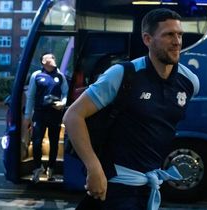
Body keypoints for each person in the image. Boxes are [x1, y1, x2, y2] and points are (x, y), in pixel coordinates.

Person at [63, 8, 199, 210]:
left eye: (179, 34)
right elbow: (73, 115)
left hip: (150, 185)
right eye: (169, 34)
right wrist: (94, 168)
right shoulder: (123, 74)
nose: (177, 41)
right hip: (117, 183)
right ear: (147, 39)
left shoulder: (190, 82)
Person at [24, 52, 68, 183]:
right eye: (50, 57)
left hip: (55, 114)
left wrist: (63, 103)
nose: (53, 58)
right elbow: (30, 96)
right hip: (39, 114)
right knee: (36, 142)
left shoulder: (60, 75)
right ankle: (37, 167)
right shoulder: (36, 75)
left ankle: (51, 169)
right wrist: (28, 115)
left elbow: (66, 92)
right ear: (43, 61)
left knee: (54, 143)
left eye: (54, 57)